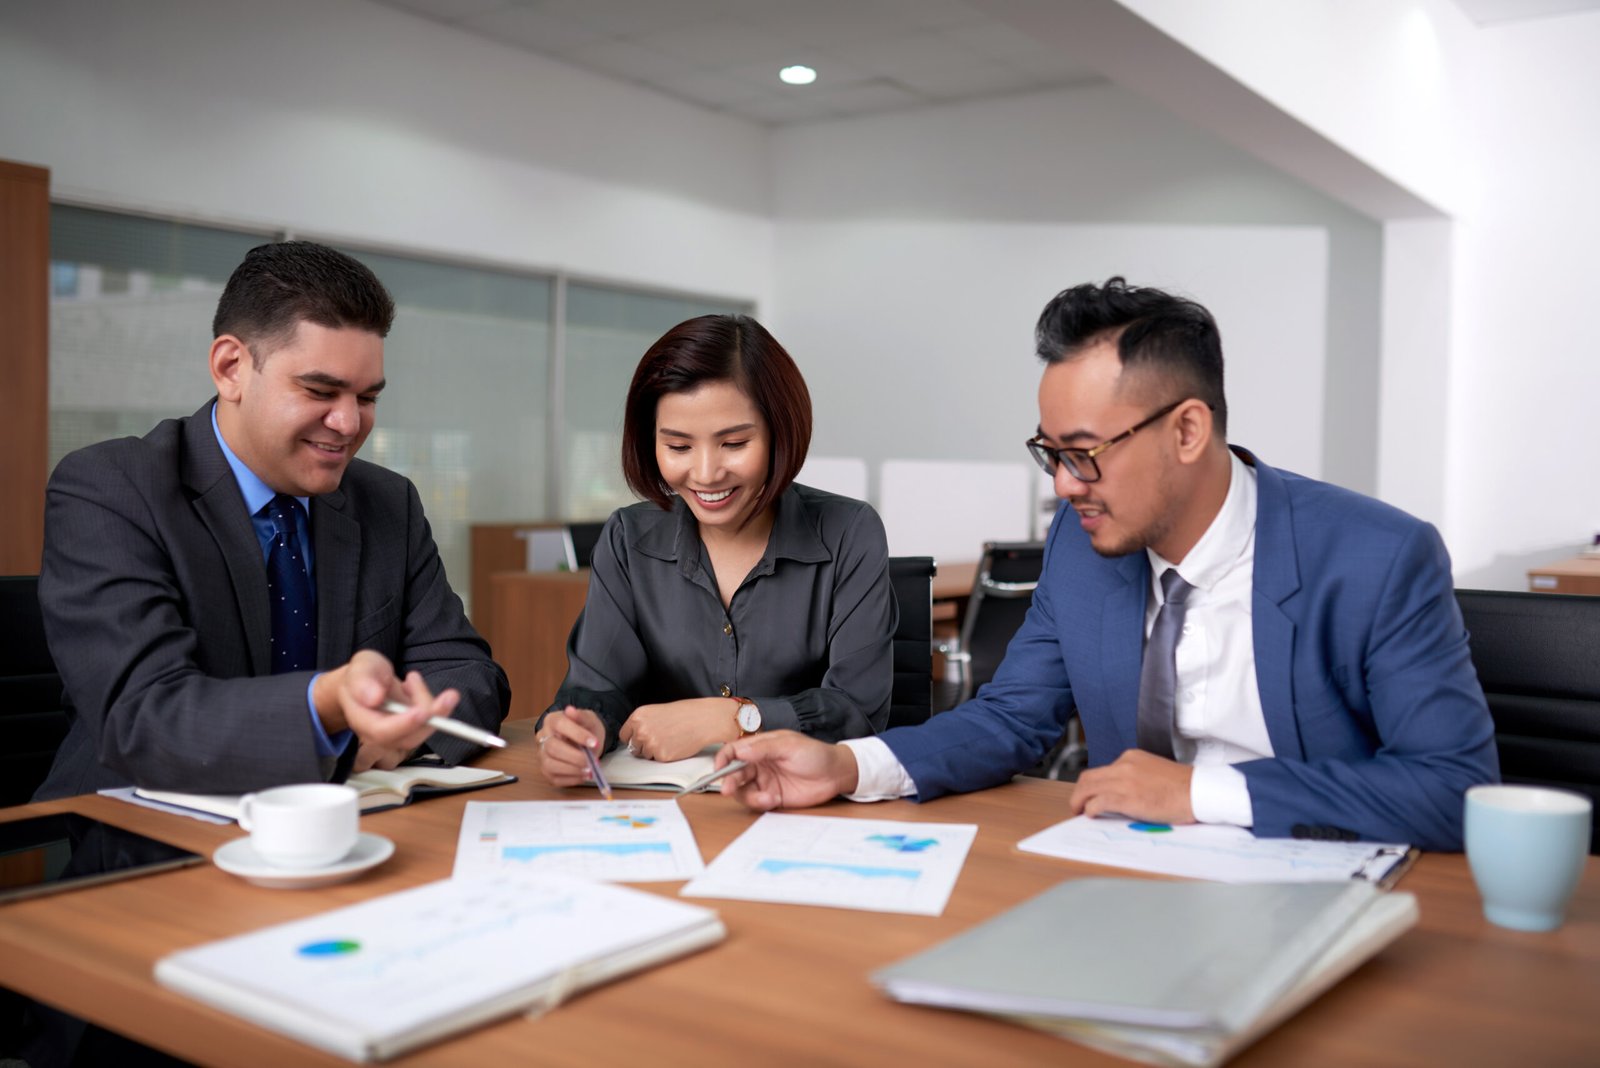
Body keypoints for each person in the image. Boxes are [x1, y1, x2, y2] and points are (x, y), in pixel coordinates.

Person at [712, 278, 1499, 852]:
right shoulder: (1084, 550)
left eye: (1084, 454)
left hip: (1322, 885)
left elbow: (1453, 789)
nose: (1061, 485)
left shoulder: (1376, 557)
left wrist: (1201, 793)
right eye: (1049, 454)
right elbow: (1013, 719)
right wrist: (847, 765)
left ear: (1188, 430)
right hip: (1132, 878)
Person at [34, 241, 510, 800]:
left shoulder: (387, 503)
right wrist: (326, 709)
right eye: (320, 390)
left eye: (368, 397)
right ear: (231, 367)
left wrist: (399, 736)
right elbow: (145, 717)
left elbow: (466, 673)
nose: (348, 422)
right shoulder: (112, 489)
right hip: (145, 839)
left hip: (344, 827)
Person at [537, 314, 895, 786]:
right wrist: (582, 730)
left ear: (778, 432)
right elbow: (596, 687)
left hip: (802, 810)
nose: (705, 474)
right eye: (679, 446)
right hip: (660, 812)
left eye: (734, 443)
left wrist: (733, 717)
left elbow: (858, 711)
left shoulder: (850, 532)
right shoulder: (629, 539)